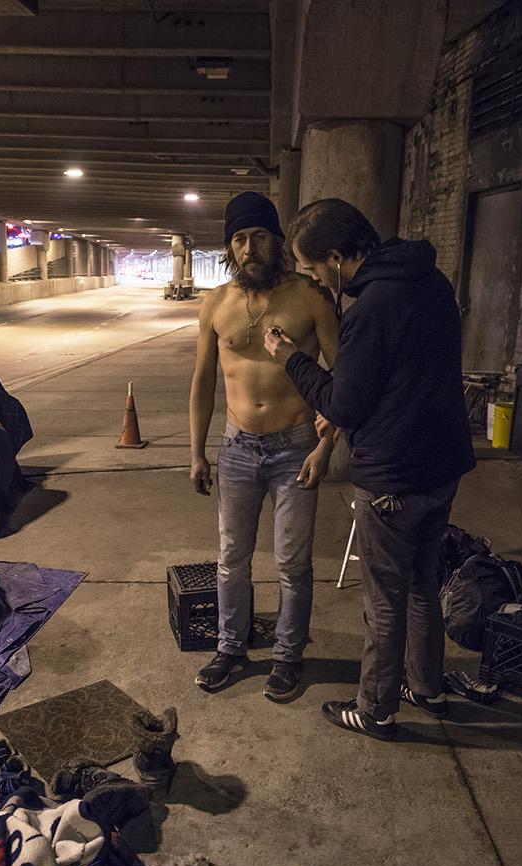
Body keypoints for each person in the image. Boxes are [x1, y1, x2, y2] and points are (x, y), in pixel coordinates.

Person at [264, 198, 474, 740]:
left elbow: (344, 404)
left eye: (312, 269)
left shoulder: (373, 307)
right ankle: (426, 686)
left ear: (336, 257)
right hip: (441, 466)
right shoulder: (430, 283)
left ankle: (375, 707)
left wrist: (291, 358)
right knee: (424, 582)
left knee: (385, 597)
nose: (313, 280)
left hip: (393, 476)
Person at [189, 191, 340, 701]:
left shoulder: (311, 296)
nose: (249, 247)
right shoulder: (216, 303)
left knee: (293, 564)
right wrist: (196, 451)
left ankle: (288, 656)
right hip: (237, 448)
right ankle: (231, 648)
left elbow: (342, 378)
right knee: (231, 558)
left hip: (296, 446)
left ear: (276, 242)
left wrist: (326, 445)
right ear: (230, 247)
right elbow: (203, 381)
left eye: (258, 237)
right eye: (239, 239)